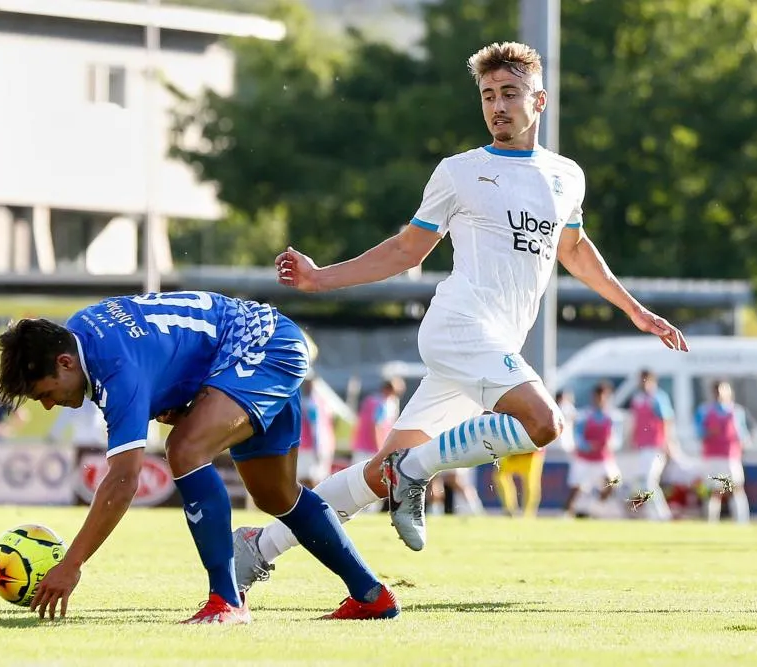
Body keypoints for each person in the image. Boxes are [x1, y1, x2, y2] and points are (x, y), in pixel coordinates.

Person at [232, 40, 687, 588]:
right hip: (458, 327)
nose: (498, 106)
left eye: (510, 93)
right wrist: (320, 277)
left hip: (492, 347)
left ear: (539, 100)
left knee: (379, 475)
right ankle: (417, 469)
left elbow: (573, 248)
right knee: (544, 423)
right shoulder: (460, 171)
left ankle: (260, 545)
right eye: (488, 95)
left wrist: (635, 310)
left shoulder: (567, 175)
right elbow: (407, 250)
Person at [0, 291, 399, 624]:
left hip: (261, 347)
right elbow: (164, 348)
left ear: (65, 362)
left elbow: (123, 480)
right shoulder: (81, 330)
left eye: (45, 393)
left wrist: (71, 563)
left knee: (184, 449)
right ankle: (371, 596)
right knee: (275, 494)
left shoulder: (115, 368)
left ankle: (227, 600)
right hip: (260, 342)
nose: (48, 405)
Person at [624, 369, 682, 520]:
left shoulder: (658, 398)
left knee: (649, 481)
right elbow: (635, 421)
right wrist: (632, 439)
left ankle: (662, 515)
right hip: (642, 446)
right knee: (645, 482)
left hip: (656, 445)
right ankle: (657, 515)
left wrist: (668, 442)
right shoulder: (637, 399)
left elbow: (666, 420)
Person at [694, 380, 751, 523]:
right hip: (712, 456)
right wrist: (709, 432)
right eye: (717, 391)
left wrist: (743, 442)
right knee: (713, 490)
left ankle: (742, 522)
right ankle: (711, 522)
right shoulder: (704, 410)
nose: (719, 394)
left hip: (730, 456)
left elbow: (743, 434)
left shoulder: (736, 411)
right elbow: (698, 432)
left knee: (735, 488)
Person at [564, 382, 622, 518]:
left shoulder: (613, 416)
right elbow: (577, 436)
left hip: (603, 458)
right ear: (594, 397)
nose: (601, 399)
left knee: (613, 482)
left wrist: (610, 444)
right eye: (598, 396)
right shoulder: (585, 415)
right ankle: (566, 514)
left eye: (604, 396)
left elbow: (617, 439)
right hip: (584, 458)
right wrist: (587, 446)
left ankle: (596, 507)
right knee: (576, 488)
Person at [297, 377, 336, 489]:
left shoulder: (311, 404)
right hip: (322, 445)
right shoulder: (322, 402)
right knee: (316, 479)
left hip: (312, 447)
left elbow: (316, 428)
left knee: (310, 479)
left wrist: (317, 448)